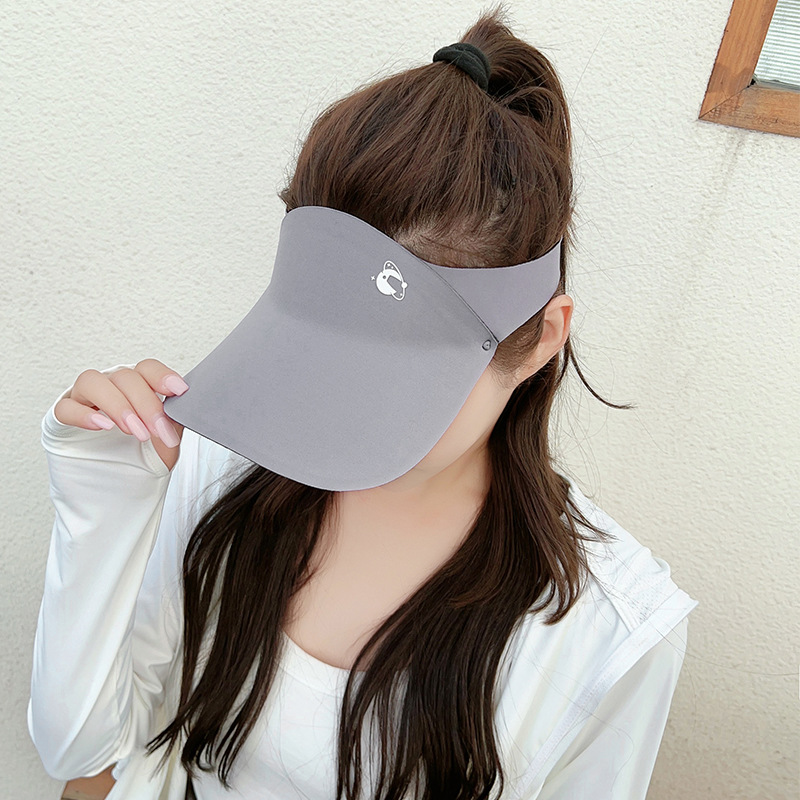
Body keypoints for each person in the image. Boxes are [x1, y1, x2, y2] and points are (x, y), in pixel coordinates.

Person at [27, 6, 698, 799]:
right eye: (318, 349)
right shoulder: (215, 462)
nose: (335, 409)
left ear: (542, 339)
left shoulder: (607, 633)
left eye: (394, 377)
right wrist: (102, 502)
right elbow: (86, 759)